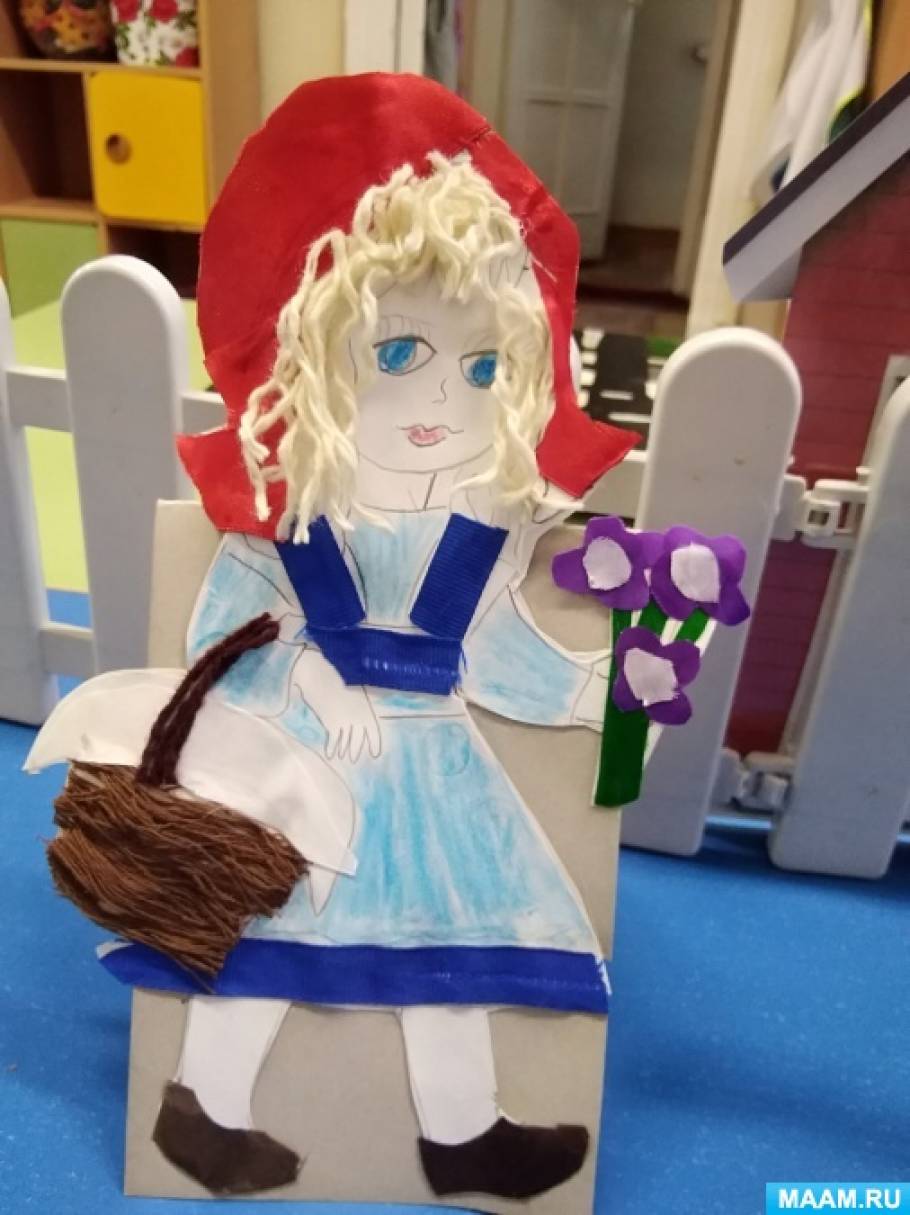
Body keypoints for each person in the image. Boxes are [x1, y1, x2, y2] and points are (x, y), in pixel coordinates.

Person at [101, 73, 637, 1199]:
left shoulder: (484, 539)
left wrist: (600, 693)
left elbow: (499, 656)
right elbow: (220, 643)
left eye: (481, 367)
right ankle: (204, 1104)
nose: (440, 402)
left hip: (438, 773)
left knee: (448, 953)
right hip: (308, 775)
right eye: (399, 356)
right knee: (266, 941)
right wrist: (310, 679)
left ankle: (463, 1132)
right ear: (306, 356)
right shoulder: (280, 528)